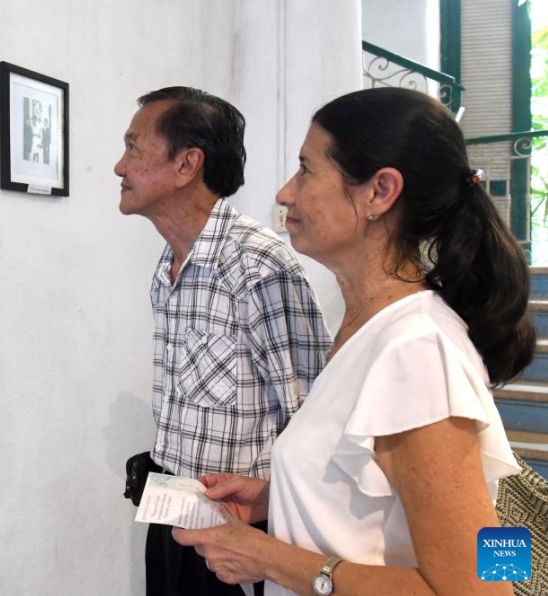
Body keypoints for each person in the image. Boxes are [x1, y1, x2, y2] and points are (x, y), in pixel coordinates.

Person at [171, 87, 535, 596]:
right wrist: (282, 498)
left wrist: (270, 557)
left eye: (306, 170)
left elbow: (484, 587)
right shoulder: (367, 329)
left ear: (379, 192)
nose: (284, 193)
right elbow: (381, 503)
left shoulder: (415, 350)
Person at [114, 86, 330, 596]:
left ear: (187, 164)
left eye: (134, 148)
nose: (120, 166)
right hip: (173, 515)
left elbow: (313, 420)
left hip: (241, 536)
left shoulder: (258, 268)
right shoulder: (167, 267)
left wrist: (287, 540)